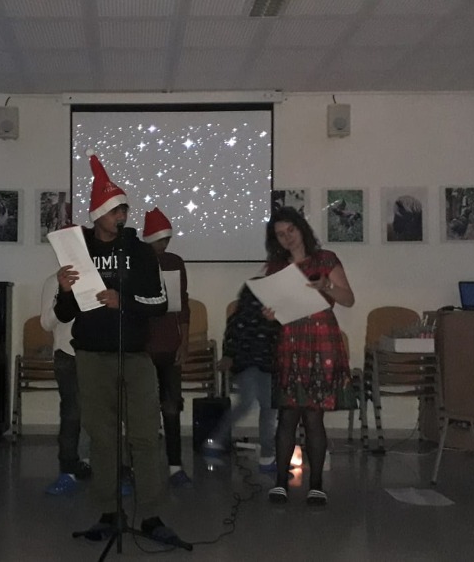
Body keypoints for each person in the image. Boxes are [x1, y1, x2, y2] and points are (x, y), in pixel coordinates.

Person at [55, 150, 181, 544]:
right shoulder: (80, 252)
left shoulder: (139, 251)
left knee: (144, 436)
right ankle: (109, 512)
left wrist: (122, 301)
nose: (121, 215)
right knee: (102, 439)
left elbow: (159, 303)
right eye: (114, 210)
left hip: (135, 356)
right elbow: (63, 314)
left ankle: (151, 516)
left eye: (124, 209)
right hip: (91, 356)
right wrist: (64, 290)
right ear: (97, 215)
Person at [263, 207, 355, 506]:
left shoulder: (325, 259)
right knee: (287, 414)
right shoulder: (277, 268)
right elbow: (275, 309)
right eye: (280, 234)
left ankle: (316, 485)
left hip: (321, 338)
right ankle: (280, 483)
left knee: (314, 416)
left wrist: (327, 285)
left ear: (301, 228)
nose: (287, 237)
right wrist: (270, 314)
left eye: (291, 230)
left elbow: (348, 299)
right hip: (290, 339)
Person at [142, 207, 192, 488]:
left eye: (167, 240)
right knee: (143, 411)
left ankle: (175, 466)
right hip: (143, 348)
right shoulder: (137, 260)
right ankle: (142, 467)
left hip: (170, 345)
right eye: (160, 239)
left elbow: (183, 304)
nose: (164, 245)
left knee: (172, 408)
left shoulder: (174, 262)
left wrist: (184, 341)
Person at [207, 281, 280, 473]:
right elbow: (231, 340)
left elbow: (279, 341)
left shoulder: (271, 319)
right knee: (253, 404)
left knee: (264, 406)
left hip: (263, 368)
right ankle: (217, 441)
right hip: (250, 367)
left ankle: (266, 456)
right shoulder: (243, 318)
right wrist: (228, 357)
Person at [40, 272, 92, 495]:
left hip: (98, 354)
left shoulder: (99, 276)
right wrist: (64, 296)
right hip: (67, 354)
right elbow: (46, 323)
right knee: (72, 412)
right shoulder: (53, 281)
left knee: (104, 412)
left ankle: (94, 464)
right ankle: (67, 470)